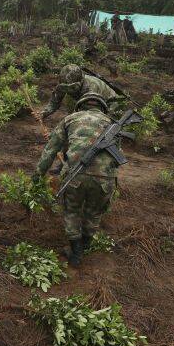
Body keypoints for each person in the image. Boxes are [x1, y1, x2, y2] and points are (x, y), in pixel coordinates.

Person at [33, 93, 120, 267]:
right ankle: (86, 244)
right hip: (104, 178)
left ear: (80, 105)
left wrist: (37, 175)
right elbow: (117, 157)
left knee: (71, 211)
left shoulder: (69, 119)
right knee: (94, 212)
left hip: (75, 175)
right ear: (102, 107)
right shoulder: (113, 124)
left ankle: (76, 252)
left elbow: (50, 150)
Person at [41, 64, 123, 119]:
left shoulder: (91, 87)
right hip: (84, 101)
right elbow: (54, 102)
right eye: (66, 88)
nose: (69, 91)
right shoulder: (64, 84)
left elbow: (89, 115)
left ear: (80, 82)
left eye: (72, 87)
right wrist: (44, 113)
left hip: (110, 103)